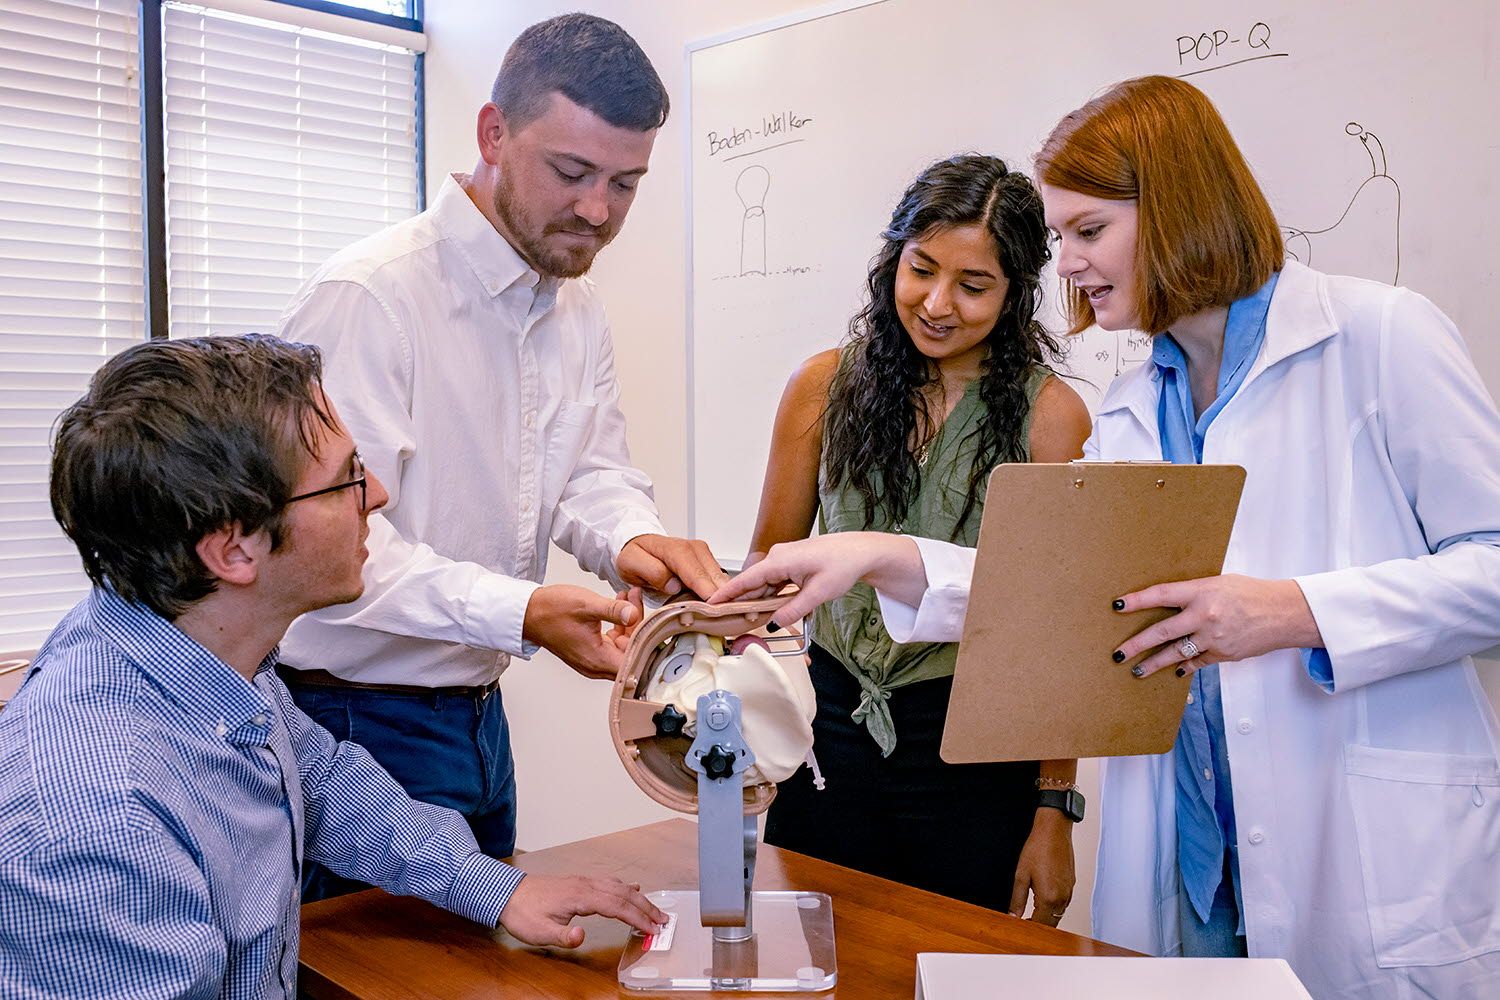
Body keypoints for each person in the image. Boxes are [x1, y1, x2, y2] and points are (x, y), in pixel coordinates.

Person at [717, 76, 1500, 998]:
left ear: (1176, 209)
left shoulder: (1379, 339)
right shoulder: (1136, 408)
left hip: (1349, 842)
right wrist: (883, 554)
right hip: (1186, 846)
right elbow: (1066, 601)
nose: (1070, 267)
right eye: (1060, 240)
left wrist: (1291, 612)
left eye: (1087, 233)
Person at [0, 335, 664, 999]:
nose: (376, 494)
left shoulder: (196, 645)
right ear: (234, 552)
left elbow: (317, 776)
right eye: (347, 476)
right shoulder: (95, 821)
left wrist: (495, 887)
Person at [274, 13, 727, 899]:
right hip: (352, 722)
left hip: (479, 720)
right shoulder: (370, 298)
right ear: (493, 133)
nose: (598, 211)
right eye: (572, 172)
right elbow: (335, 547)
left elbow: (588, 471)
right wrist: (523, 612)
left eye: (625, 184)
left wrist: (633, 541)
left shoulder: (575, 306)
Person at [743, 154, 1091, 921]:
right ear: (892, 260)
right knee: (812, 955)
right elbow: (768, 566)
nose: (937, 304)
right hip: (823, 732)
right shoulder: (822, 386)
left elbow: (1059, 630)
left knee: (954, 962)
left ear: (1017, 291)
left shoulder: (1051, 417)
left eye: (973, 287)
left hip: (973, 746)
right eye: (920, 269)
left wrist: (1053, 809)